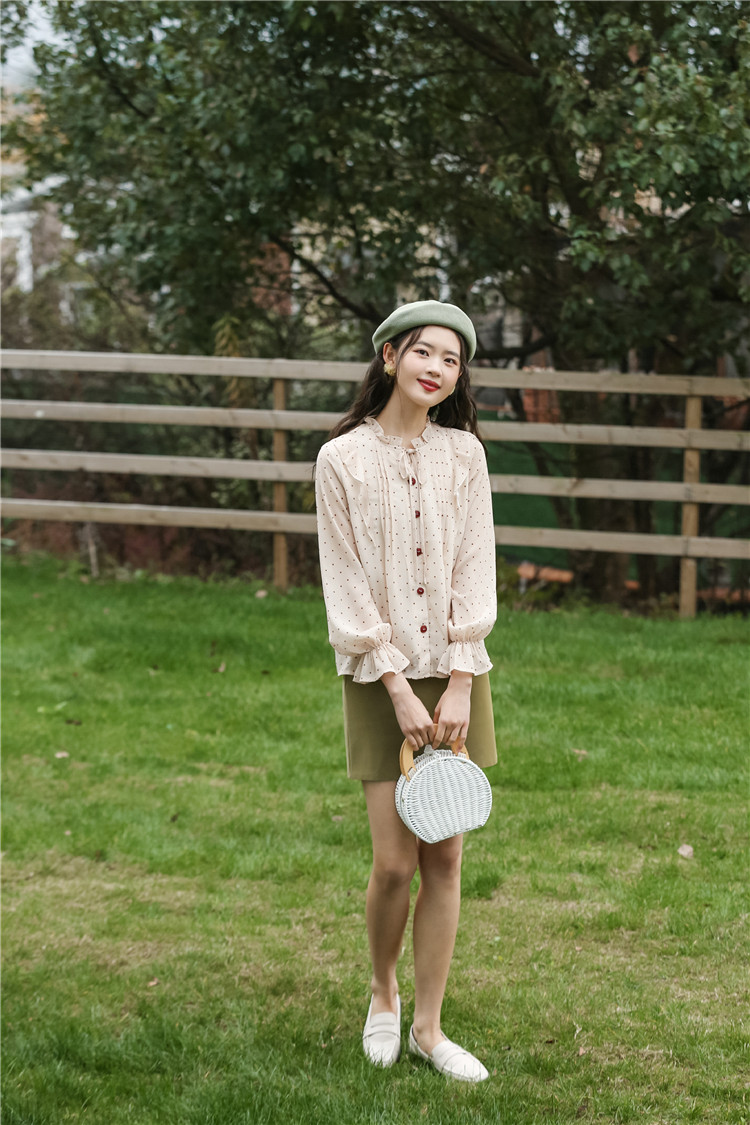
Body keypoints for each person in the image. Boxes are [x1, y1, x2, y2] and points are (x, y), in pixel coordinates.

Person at [315, 300, 497, 1083]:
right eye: (425, 352)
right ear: (390, 356)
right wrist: (396, 684)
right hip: (376, 674)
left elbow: (475, 567)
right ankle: (382, 995)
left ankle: (429, 1026)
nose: (438, 368)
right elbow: (346, 581)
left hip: (457, 673)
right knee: (395, 862)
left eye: (452, 360)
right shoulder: (341, 460)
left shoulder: (466, 456)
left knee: (446, 855)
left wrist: (459, 680)